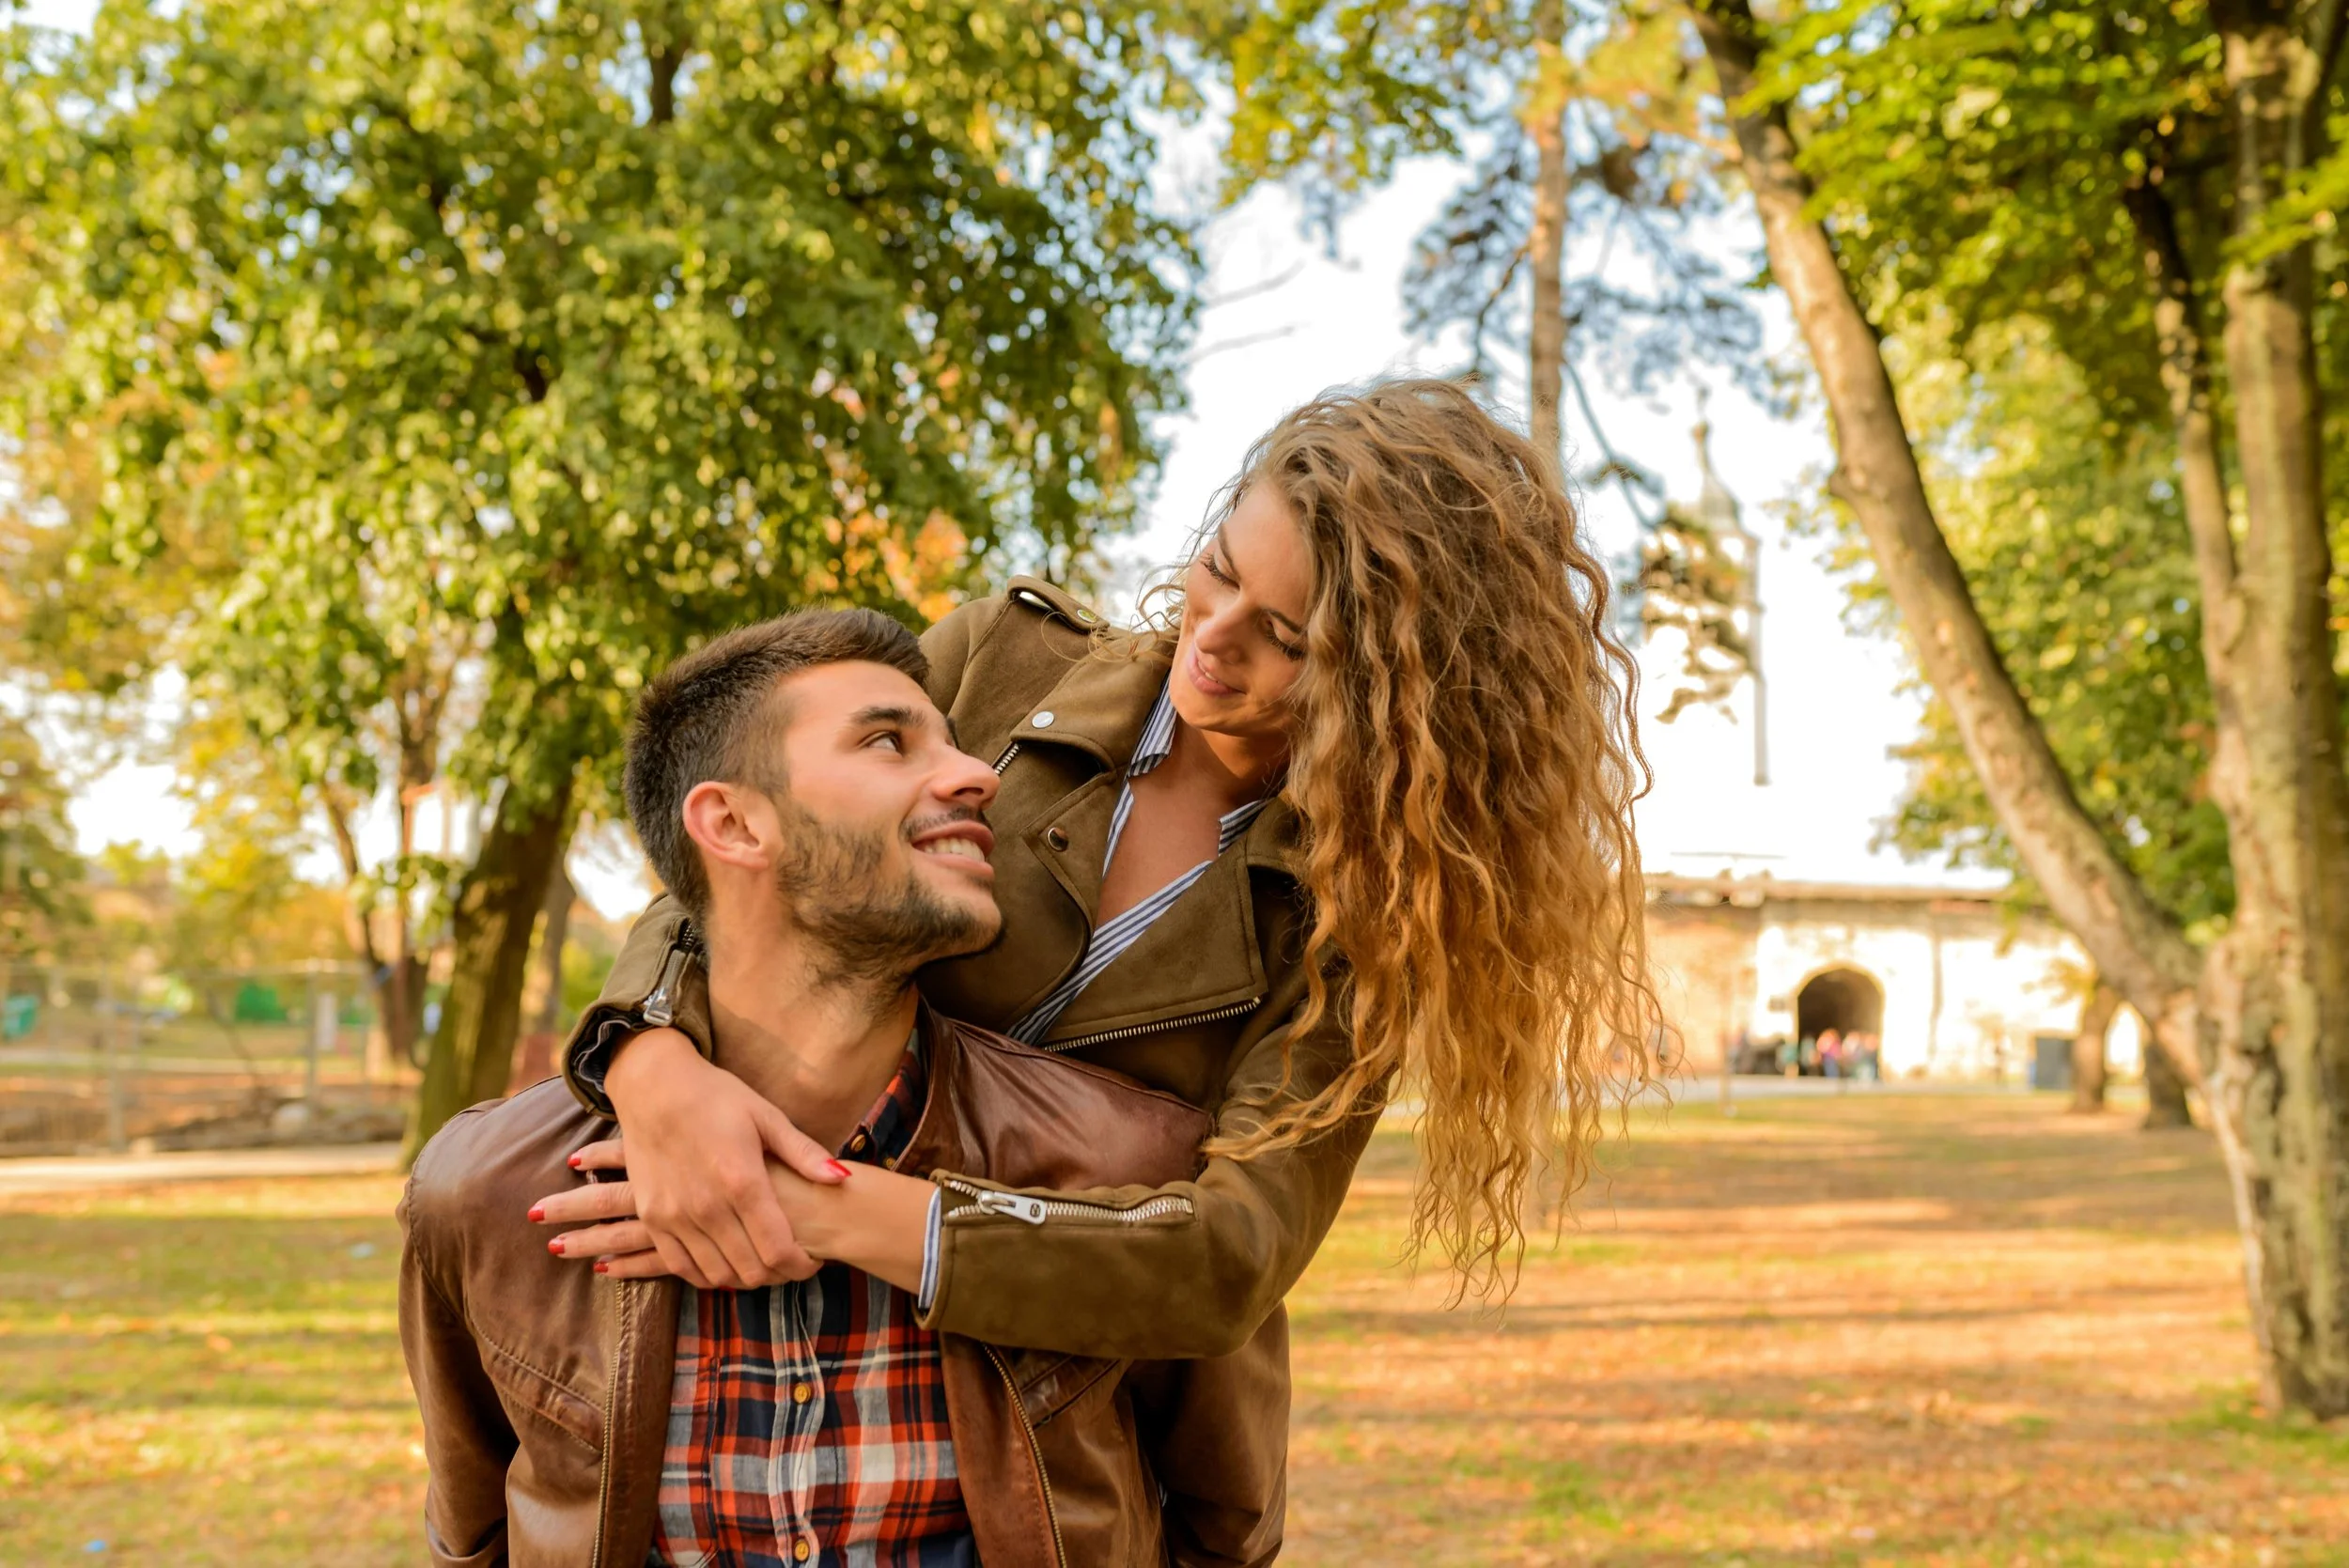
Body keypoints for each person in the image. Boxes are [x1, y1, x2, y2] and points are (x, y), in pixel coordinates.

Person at [534, 380, 1659, 1553]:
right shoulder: (995, 666)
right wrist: (652, 1058)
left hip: (1069, 1432)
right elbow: (739, 852)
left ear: (1400, 688)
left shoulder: (1364, 923)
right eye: (1219, 570)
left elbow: (1230, 1255)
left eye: (1286, 638)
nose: (1211, 641)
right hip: (769, 1355)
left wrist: (828, 1203)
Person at [400, 609, 1235, 1566]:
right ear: (733, 823)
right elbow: (474, 1535)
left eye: (954, 745)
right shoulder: (488, 1193)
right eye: (888, 741)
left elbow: (1223, 1528)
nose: (978, 774)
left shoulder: (1123, 1168)